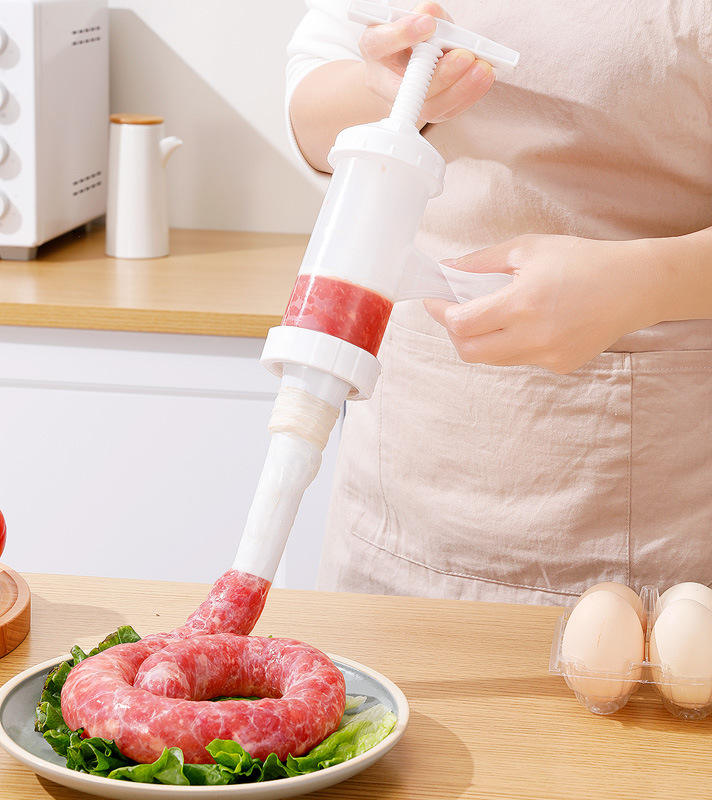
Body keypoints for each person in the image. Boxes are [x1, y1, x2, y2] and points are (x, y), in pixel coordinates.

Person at [285, 0, 712, 604]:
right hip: (403, 491)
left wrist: (652, 281)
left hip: (662, 523)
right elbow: (312, 108)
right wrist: (385, 88)